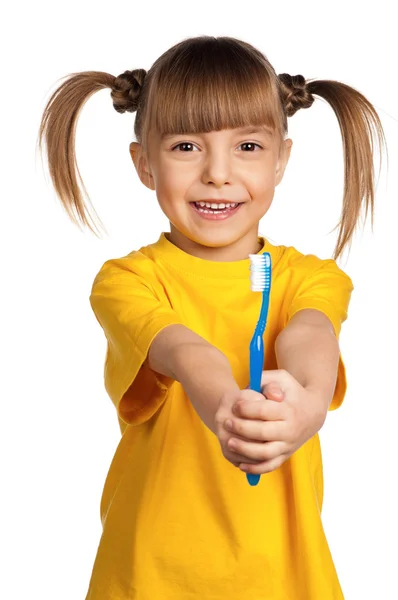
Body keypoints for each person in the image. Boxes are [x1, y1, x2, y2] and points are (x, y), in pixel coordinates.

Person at [37, 35, 387, 599]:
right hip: (147, 579)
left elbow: (311, 333)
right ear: (143, 164)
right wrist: (224, 404)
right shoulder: (127, 281)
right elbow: (182, 350)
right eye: (185, 147)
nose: (218, 174)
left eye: (248, 146)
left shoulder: (313, 278)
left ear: (283, 160)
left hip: (287, 582)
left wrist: (309, 404)